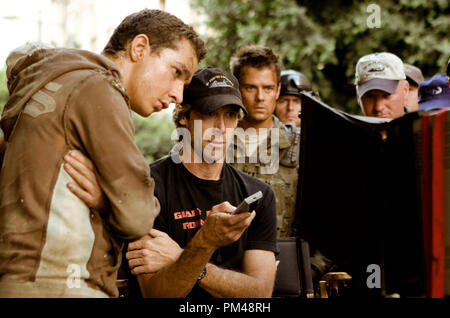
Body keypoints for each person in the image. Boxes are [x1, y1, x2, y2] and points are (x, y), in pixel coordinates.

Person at [0, 9, 206, 298]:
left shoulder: (53, 87)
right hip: (63, 284)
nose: (178, 95)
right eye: (176, 72)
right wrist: (112, 201)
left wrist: (103, 197)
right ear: (140, 48)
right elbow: (138, 216)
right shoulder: (99, 88)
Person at [64, 68, 278, 298]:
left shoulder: (259, 194)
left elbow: (260, 294)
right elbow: (157, 293)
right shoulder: (148, 185)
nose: (221, 128)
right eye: (209, 113)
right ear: (184, 116)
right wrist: (205, 241)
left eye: (230, 115)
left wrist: (180, 257)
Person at [229, 45, 300, 238]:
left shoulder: (301, 147)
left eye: (267, 88)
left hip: (285, 261)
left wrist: (312, 268)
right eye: (251, 87)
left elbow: (327, 215)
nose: (260, 98)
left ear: (277, 90)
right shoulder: (215, 143)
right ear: (236, 88)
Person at [355, 52, 409, 119]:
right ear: (358, 96)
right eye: (370, 97)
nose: (378, 108)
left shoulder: (424, 128)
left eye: (387, 95)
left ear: (405, 91)